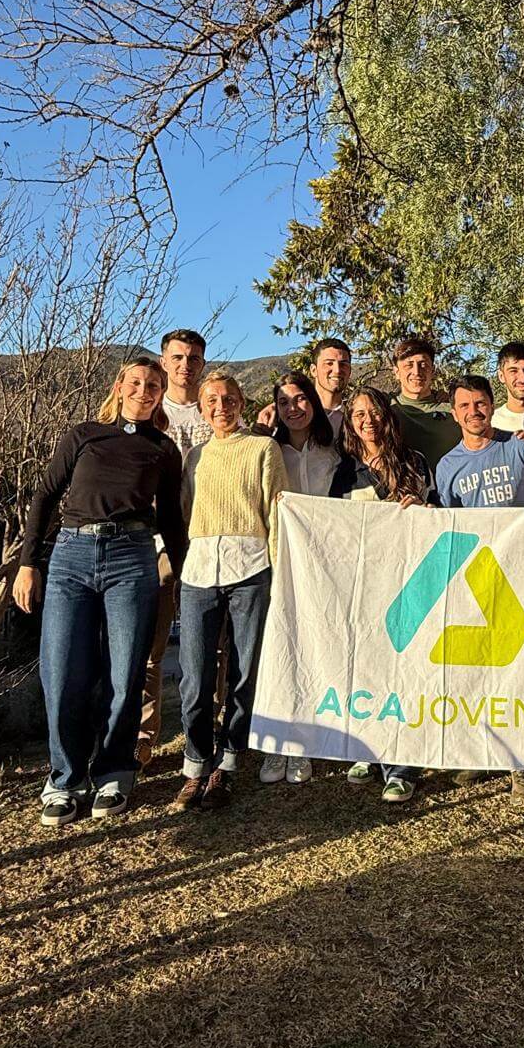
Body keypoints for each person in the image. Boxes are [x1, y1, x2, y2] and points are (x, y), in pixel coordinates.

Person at [12, 357, 186, 826]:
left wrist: (185, 573)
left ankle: (114, 772)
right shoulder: (84, 435)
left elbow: (170, 517)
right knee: (62, 668)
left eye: (154, 385)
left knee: (125, 670)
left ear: (160, 394)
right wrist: (29, 564)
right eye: (136, 383)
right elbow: (45, 496)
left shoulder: (164, 449)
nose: (144, 391)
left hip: (132, 557)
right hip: (71, 556)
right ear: (119, 386)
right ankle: (65, 780)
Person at [436, 375, 524, 804]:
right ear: (454, 413)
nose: (474, 411)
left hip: (523, 569)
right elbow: (449, 526)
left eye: (481, 403)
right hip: (478, 576)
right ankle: (482, 752)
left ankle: (521, 765)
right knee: (480, 669)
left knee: (519, 669)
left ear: (492, 405)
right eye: (465, 405)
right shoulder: (447, 466)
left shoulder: (521, 446)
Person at [174, 372, 289, 811]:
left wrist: (279, 573)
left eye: (229, 398)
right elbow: (186, 511)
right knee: (195, 675)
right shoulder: (195, 457)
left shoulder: (263, 448)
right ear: (202, 408)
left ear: (242, 403)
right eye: (212, 400)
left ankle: (228, 762)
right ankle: (195, 764)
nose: (221, 406)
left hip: (251, 568)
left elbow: (274, 512)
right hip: (200, 571)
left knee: (243, 673)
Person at [330, 386, 437, 803]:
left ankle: (403, 764)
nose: (367, 420)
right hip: (363, 583)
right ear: (350, 422)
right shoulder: (344, 471)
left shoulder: (414, 463)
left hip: (410, 580)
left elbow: (438, 514)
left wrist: (422, 510)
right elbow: (331, 524)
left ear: (387, 417)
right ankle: (366, 750)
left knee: (404, 669)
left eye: (373, 412)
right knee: (365, 667)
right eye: (358, 414)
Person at [253, 372, 337, 786]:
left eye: (301, 399)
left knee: (316, 649)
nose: (293, 408)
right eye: (284, 402)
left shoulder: (333, 452)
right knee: (279, 649)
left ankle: (305, 743)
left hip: (325, 565)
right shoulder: (267, 450)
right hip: (278, 561)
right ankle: (276, 746)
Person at [136, 327, 212, 770]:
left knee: (214, 647)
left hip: (207, 537)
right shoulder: (147, 409)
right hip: (156, 542)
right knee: (149, 646)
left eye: (194, 358)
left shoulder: (216, 408)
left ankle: (215, 734)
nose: (186, 365)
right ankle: (141, 741)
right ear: (164, 361)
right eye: (178, 357)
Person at [389, 337, 460, 472]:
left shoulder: (454, 408)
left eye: (423, 364)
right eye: (409, 365)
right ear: (397, 372)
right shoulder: (385, 406)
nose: (417, 372)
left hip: (450, 491)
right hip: (404, 490)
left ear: (432, 370)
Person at [309, 338, 352, 437]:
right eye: (329, 363)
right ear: (313, 370)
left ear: (350, 371)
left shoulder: (355, 419)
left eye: (343, 364)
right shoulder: (296, 416)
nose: (337, 370)